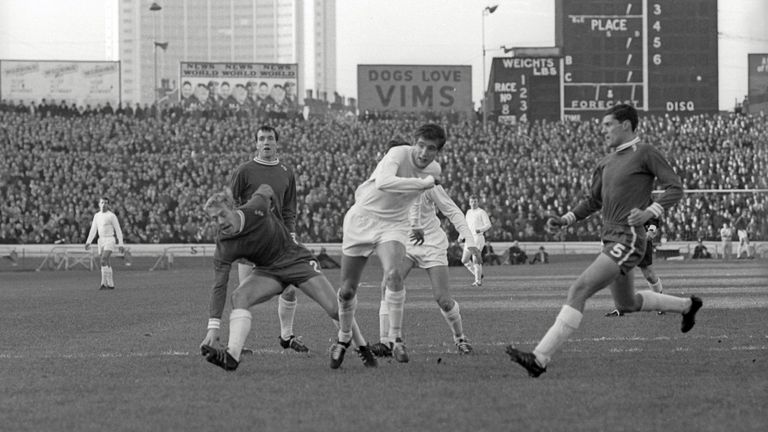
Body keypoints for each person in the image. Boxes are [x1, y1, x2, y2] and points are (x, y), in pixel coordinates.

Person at [506, 104, 702, 378]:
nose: (603, 130)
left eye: (608, 124)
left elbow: (675, 187)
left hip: (630, 237)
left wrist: (649, 211)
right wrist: (566, 219)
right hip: (610, 239)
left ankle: (539, 358)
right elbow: (593, 201)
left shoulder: (644, 152)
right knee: (626, 304)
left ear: (626, 125)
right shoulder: (605, 162)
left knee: (579, 289)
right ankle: (687, 306)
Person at [199, 186, 376, 371]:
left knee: (334, 309)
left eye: (222, 214)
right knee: (239, 297)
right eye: (213, 219)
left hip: (295, 259)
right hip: (268, 271)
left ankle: (362, 346)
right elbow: (219, 285)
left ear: (232, 208)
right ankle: (232, 356)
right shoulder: (224, 244)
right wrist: (213, 327)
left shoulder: (256, 207)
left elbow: (266, 189)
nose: (219, 222)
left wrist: (278, 221)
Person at [333, 124, 445, 368]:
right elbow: (384, 183)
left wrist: (415, 223)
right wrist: (422, 184)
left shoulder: (433, 170)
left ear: (438, 152)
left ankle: (395, 339)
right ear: (413, 143)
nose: (424, 153)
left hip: (393, 225)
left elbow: (414, 199)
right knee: (347, 290)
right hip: (362, 219)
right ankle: (343, 337)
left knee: (394, 275)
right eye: (421, 145)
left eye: (431, 149)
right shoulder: (397, 154)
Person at [371, 139, 480, 356]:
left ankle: (460, 338)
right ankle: (386, 342)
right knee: (388, 283)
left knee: (443, 299)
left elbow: (452, 211)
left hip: (431, 244)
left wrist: (470, 240)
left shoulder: (428, 182)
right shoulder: (385, 182)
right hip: (406, 245)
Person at [229, 125, 308, 353]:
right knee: (244, 294)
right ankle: (237, 345)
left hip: (278, 242)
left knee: (290, 289)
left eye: (270, 138)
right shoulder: (244, 170)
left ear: (276, 143)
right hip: (250, 240)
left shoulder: (286, 172)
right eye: (261, 138)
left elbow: (290, 208)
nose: (266, 142)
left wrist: (291, 232)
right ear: (255, 143)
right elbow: (234, 202)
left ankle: (287, 336)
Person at [605, 218, 664, 316]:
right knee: (619, 272)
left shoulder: (641, 202)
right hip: (623, 239)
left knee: (649, 275)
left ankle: (660, 303)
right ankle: (620, 308)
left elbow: (653, 218)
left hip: (641, 238)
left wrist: (652, 230)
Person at [84, 198, 125, 290]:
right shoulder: (97, 216)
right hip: (101, 240)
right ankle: (110, 284)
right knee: (106, 262)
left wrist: (121, 244)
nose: (104, 204)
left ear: (108, 205)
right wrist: (88, 242)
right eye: (102, 202)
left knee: (103, 259)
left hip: (110, 239)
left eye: (106, 203)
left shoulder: (111, 216)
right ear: (99, 204)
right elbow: (93, 229)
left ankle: (103, 283)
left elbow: (118, 230)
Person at [461, 195, 491, 286]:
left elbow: (488, 225)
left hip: (478, 237)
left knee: (475, 259)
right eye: (472, 201)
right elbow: (465, 225)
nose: (474, 203)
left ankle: (478, 281)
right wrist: (461, 236)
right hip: (469, 238)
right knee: (464, 260)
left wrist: (480, 229)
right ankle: (478, 274)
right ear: (469, 203)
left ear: (478, 202)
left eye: (475, 201)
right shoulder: (468, 212)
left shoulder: (481, 212)